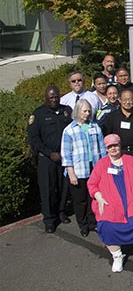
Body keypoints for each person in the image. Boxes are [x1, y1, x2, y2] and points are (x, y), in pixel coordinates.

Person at [87, 134, 133, 272]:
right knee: (106, 224)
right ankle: (117, 256)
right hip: (110, 202)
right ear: (106, 149)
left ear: (120, 145)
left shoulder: (131, 160)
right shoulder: (101, 164)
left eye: (115, 145)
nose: (113, 149)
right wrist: (98, 196)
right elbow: (92, 184)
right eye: (110, 146)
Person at [28, 86, 73, 232]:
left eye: (56, 96)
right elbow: (34, 139)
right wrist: (49, 153)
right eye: (51, 97)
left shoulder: (66, 111)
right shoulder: (38, 114)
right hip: (47, 158)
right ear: (46, 98)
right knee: (47, 189)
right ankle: (48, 219)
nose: (54, 99)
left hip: (65, 156)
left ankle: (60, 211)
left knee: (63, 187)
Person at [61, 99, 106, 237]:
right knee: (80, 200)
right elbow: (66, 154)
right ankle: (83, 224)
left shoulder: (95, 126)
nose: (87, 114)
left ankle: (92, 222)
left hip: (94, 169)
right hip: (79, 171)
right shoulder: (69, 130)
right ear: (77, 111)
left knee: (92, 197)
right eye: (84, 111)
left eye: (89, 111)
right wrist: (71, 173)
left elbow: (102, 148)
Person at [104, 90, 133, 162]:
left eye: (130, 99)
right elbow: (107, 135)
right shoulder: (112, 117)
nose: (128, 102)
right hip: (119, 153)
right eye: (125, 100)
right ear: (119, 100)